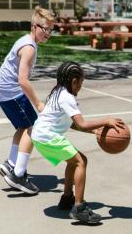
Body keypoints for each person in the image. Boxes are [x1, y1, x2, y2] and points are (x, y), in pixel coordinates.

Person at [31, 61, 125, 224]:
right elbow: (81, 123)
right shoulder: (68, 98)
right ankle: (79, 208)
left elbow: (72, 124)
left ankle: (67, 198)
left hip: (40, 135)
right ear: (74, 82)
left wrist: (94, 131)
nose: (81, 87)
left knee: (73, 161)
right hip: (47, 136)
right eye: (81, 83)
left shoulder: (58, 92)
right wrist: (106, 121)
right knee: (81, 162)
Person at [0, 6, 55, 195]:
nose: (48, 34)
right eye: (45, 29)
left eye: (51, 30)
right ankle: (17, 175)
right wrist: (38, 103)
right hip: (10, 91)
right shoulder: (28, 48)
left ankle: (11, 163)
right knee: (33, 127)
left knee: (22, 127)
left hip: (2, 90)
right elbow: (23, 80)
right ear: (34, 26)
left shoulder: (27, 42)